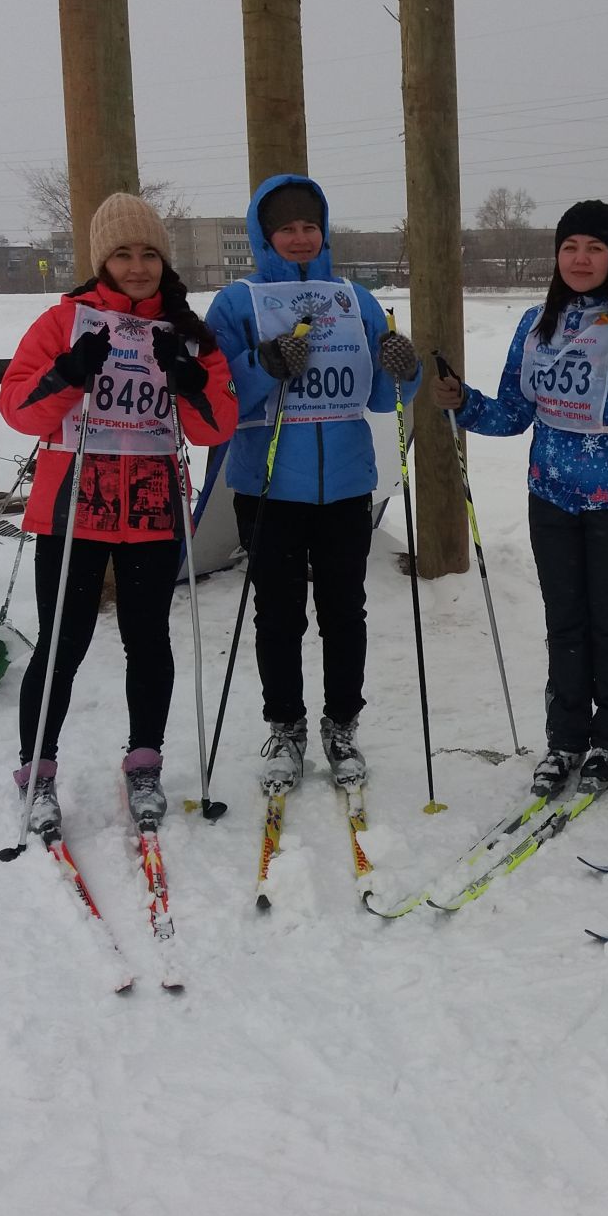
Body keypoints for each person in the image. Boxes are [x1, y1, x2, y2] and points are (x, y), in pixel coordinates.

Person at [0, 191, 238, 835]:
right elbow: (17, 408)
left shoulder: (189, 334)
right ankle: (37, 770)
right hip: (74, 504)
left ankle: (145, 760)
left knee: (148, 638)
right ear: (102, 261)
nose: (138, 267)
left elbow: (217, 426)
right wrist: (68, 374)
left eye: (149, 254)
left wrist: (188, 382)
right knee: (62, 643)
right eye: (123, 254)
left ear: (164, 260)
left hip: (154, 507)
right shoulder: (64, 322)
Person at [432, 200, 608, 799]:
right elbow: (513, 413)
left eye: (594, 248)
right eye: (570, 247)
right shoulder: (536, 323)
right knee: (564, 621)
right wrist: (462, 401)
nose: (580, 259)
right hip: (551, 494)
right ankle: (565, 737)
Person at [204, 175, 419, 793]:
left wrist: (407, 369)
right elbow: (216, 397)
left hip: (347, 482)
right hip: (269, 483)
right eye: (286, 228)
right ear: (264, 236)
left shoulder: (356, 299)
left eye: (309, 226)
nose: (300, 238)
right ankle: (285, 725)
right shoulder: (236, 303)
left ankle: (342, 724)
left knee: (344, 611)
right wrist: (263, 365)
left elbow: (384, 394)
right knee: (278, 614)